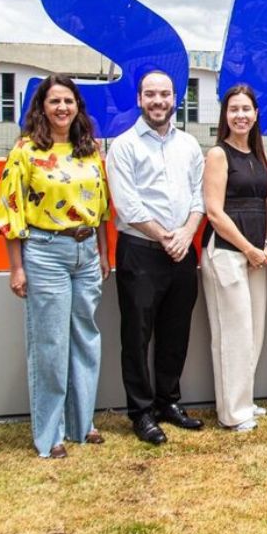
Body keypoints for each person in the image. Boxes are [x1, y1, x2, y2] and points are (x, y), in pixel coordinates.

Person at [0, 73, 111, 458]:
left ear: (78, 107)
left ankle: (82, 424)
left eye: (69, 101)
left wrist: (104, 254)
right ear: (42, 107)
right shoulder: (25, 152)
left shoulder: (89, 149)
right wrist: (17, 267)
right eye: (55, 101)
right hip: (46, 252)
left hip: (87, 251)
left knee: (85, 339)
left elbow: (102, 209)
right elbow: (12, 210)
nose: (62, 108)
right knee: (51, 344)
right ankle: (50, 434)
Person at [106, 69, 206, 445]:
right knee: (137, 335)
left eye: (165, 94)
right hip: (141, 253)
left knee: (175, 332)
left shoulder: (189, 145)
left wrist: (185, 234)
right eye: (151, 94)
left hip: (182, 251)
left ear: (174, 98)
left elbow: (199, 197)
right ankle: (141, 412)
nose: (158, 101)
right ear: (139, 99)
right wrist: (166, 237)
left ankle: (168, 402)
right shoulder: (125, 146)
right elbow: (128, 205)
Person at [202, 84, 267, 432]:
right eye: (234, 109)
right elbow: (214, 212)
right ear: (225, 115)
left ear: (256, 114)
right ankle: (232, 413)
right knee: (233, 332)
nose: (241, 115)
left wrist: (265, 246)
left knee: (254, 331)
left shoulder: (257, 154)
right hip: (228, 252)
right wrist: (247, 247)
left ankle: (244, 400)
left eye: (246, 109)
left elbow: (265, 204)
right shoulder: (218, 155)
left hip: (256, 255)